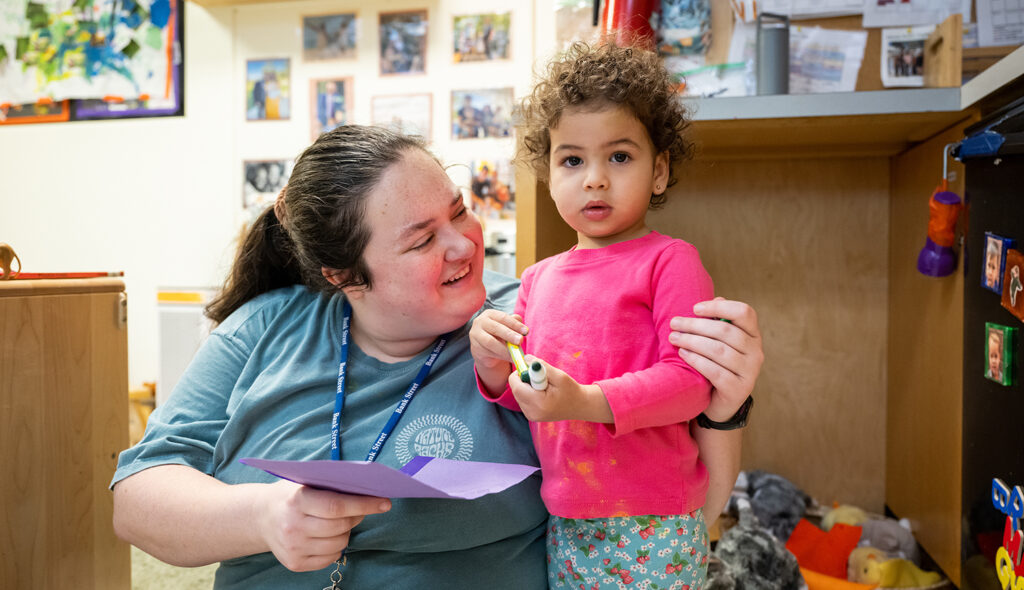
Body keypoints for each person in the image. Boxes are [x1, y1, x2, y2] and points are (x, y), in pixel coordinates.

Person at [111, 125, 763, 589]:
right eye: (424, 240)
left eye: (460, 212)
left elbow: (681, 507)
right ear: (344, 275)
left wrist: (725, 408)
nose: (465, 244)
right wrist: (264, 515)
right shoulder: (265, 327)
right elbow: (137, 499)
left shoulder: (536, 320)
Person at [469, 40, 746, 588]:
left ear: (659, 171)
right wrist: (492, 363)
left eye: (619, 157)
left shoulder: (671, 261)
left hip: (654, 520)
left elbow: (693, 383)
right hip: (566, 516)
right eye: (572, 159)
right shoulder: (537, 278)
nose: (594, 178)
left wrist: (585, 402)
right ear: (548, 172)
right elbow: (525, 386)